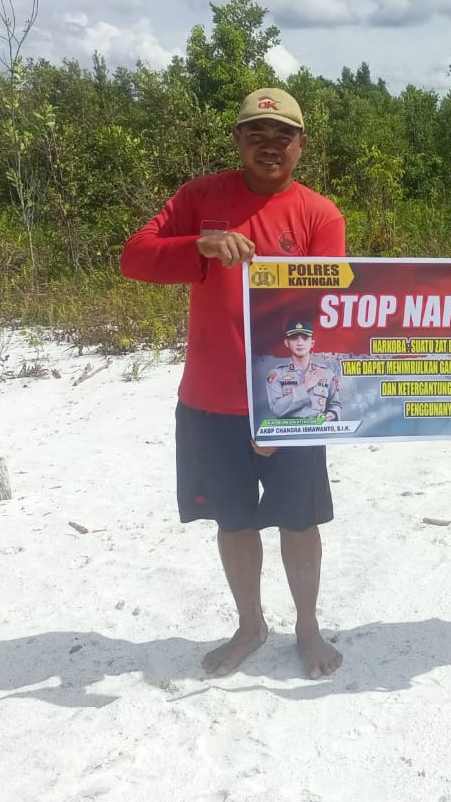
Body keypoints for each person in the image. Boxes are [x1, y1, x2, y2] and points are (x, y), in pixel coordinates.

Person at [120, 87, 345, 679]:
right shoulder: (200, 197)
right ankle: (250, 626)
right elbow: (133, 257)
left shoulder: (320, 214)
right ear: (238, 139)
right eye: (257, 134)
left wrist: (278, 413)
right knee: (233, 520)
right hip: (211, 399)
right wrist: (198, 244)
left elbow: (328, 313)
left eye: (283, 136)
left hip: (291, 403)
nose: (270, 146)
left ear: (301, 144)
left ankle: (308, 627)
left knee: (300, 520)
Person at [264, 319, 342, 421]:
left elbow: (335, 404)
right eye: (294, 338)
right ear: (287, 343)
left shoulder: (327, 373)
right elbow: (277, 409)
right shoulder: (276, 374)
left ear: (312, 343)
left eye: (305, 338)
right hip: (289, 429)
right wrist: (305, 387)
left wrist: (333, 413)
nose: (300, 343)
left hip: (319, 428)